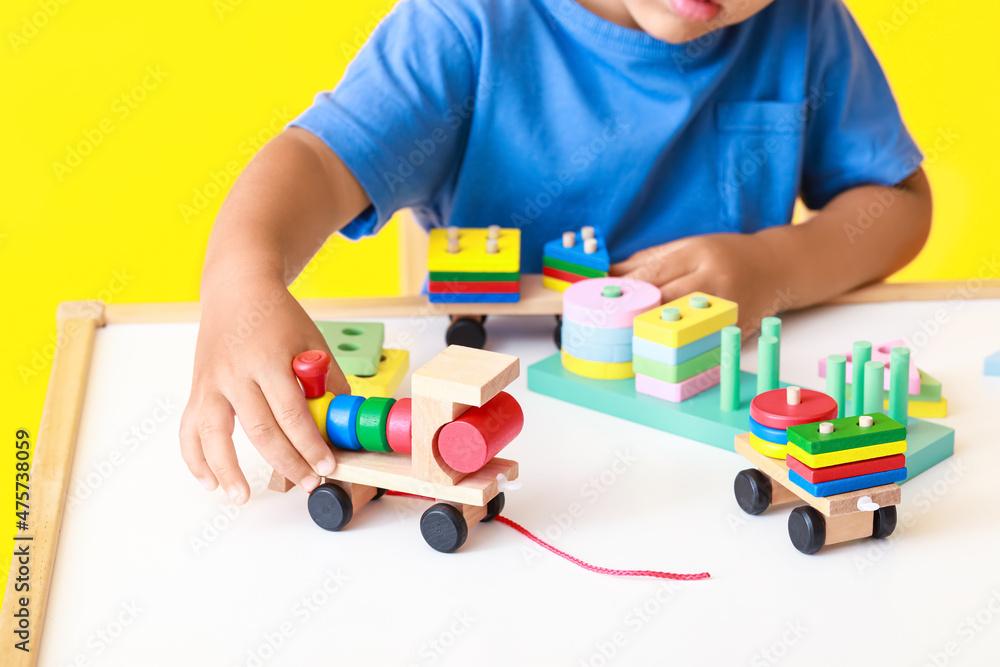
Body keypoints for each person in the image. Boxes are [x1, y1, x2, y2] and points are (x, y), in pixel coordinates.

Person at [180, 0, 932, 504]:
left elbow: (898, 204)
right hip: (530, 434)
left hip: (704, 450)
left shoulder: (807, 24)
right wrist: (240, 278)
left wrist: (777, 268)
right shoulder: (466, 23)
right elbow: (318, 161)